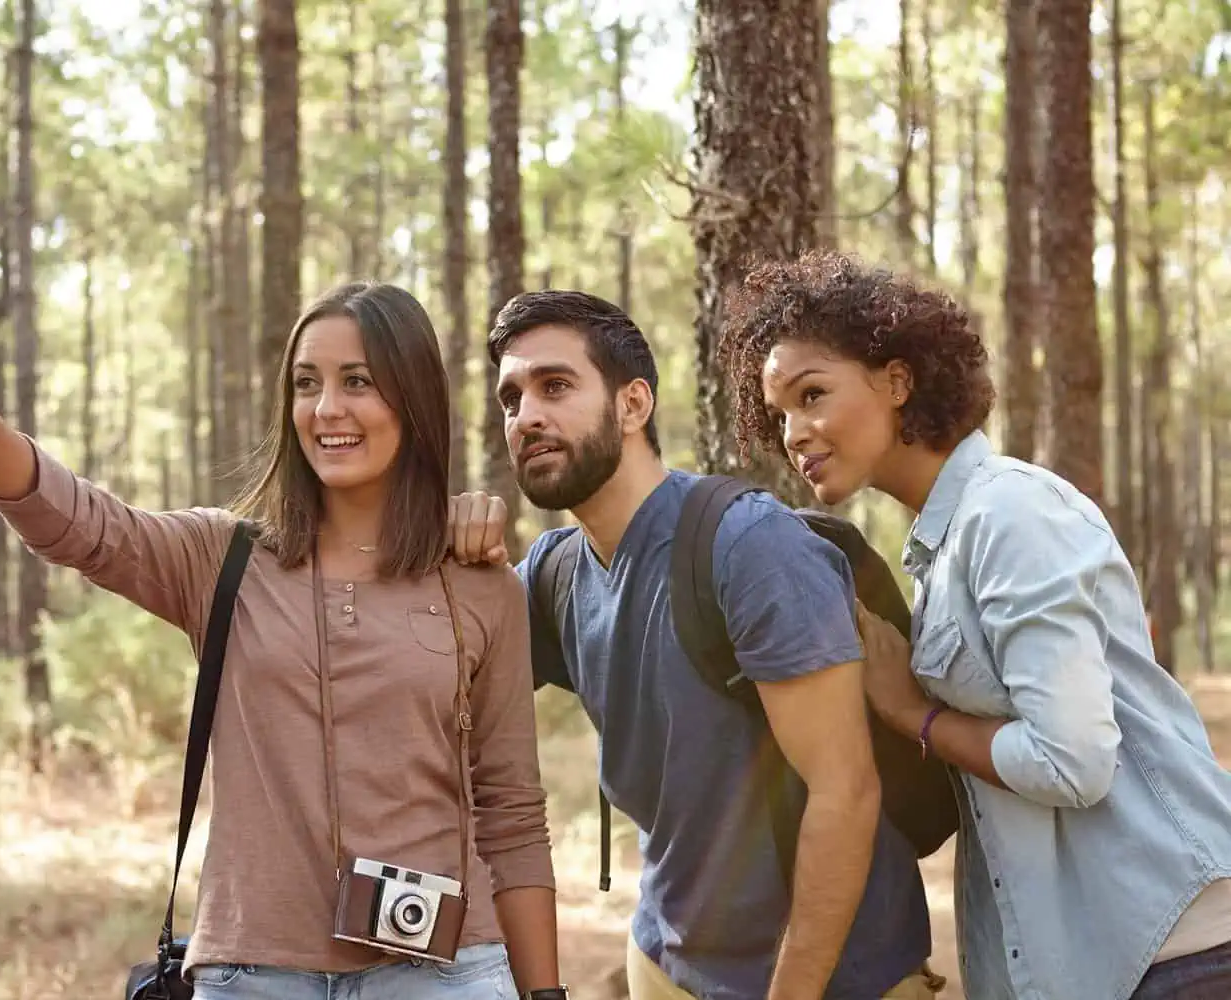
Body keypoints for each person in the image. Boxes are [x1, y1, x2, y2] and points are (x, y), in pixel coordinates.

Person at [0, 280, 569, 1000]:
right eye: (307, 383)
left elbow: (511, 811)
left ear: (412, 398)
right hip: (253, 975)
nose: (327, 409)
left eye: (359, 382)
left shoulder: (478, 583)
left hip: (443, 977)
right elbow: (84, 527)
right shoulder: (226, 560)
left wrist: (545, 997)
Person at [719, 248, 1231, 1000]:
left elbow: (1072, 761)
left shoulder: (1008, 513)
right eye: (780, 414)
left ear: (897, 381)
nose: (795, 431)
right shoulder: (943, 545)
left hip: (1175, 947)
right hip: (1099, 959)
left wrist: (911, 713)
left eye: (813, 393)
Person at [454, 290, 940, 1000]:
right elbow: (423, 687)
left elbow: (847, 791)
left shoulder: (748, 548)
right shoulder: (554, 575)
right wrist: (441, 543)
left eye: (555, 386)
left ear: (633, 405)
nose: (526, 415)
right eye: (511, 398)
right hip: (664, 963)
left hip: (827, 978)